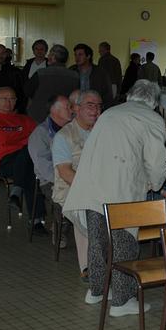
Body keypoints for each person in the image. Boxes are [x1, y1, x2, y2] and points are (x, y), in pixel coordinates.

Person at [63, 80, 166, 316]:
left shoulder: (111, 113)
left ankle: (97, 291)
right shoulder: (152, 119)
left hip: (91, 185)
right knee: (123, 244)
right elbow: (156, 160)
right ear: (154, 101)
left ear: (131, 95)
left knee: (98, 241)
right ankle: (122, 301)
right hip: (120, 188)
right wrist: (156, 183)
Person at [0, 87, 47, 233]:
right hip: (5, 162)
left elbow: (38, 136)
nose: (8, 102)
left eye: (11, 98)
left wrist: (17, 140)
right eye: (4, 98)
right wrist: (25, 137)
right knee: (29, 156)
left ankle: (16, 192)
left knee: (29, 165)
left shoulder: (25, 119)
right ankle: (36, 221)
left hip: (26, 161)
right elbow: (2, 139)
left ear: (16, 101)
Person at [52, 90, 102, 277]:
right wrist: (91, 190)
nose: (95, 110)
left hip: (100, 188)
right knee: (86, 209)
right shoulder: (64, 136)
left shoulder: (102, 132)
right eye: (90, 105)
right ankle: (88, 267)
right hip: (71, 191)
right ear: (77, 109)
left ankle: (115, 258)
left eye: (98, 106)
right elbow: (65, 173)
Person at [25, 44, 80, 122]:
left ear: (53, 58)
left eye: (50, 54)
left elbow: (27, 91)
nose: (48, 56)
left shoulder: (41, 73)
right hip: (64, 116)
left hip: (39, 116)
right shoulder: (75, 76)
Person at [70, 43, 114, 110]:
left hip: (94, 109)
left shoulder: (100, 72)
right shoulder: (71, 71)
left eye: (80, 54)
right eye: (75, 55)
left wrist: (103, 108)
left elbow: (107, 94)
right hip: (76, 109)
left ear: (88, 56)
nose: (77, 58)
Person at [0, 43, 26, 114]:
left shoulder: (15, 71)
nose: (0, 55)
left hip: (11, 109)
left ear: (6, 54)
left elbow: (21, 93)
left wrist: (17, 108)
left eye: (3, 53)